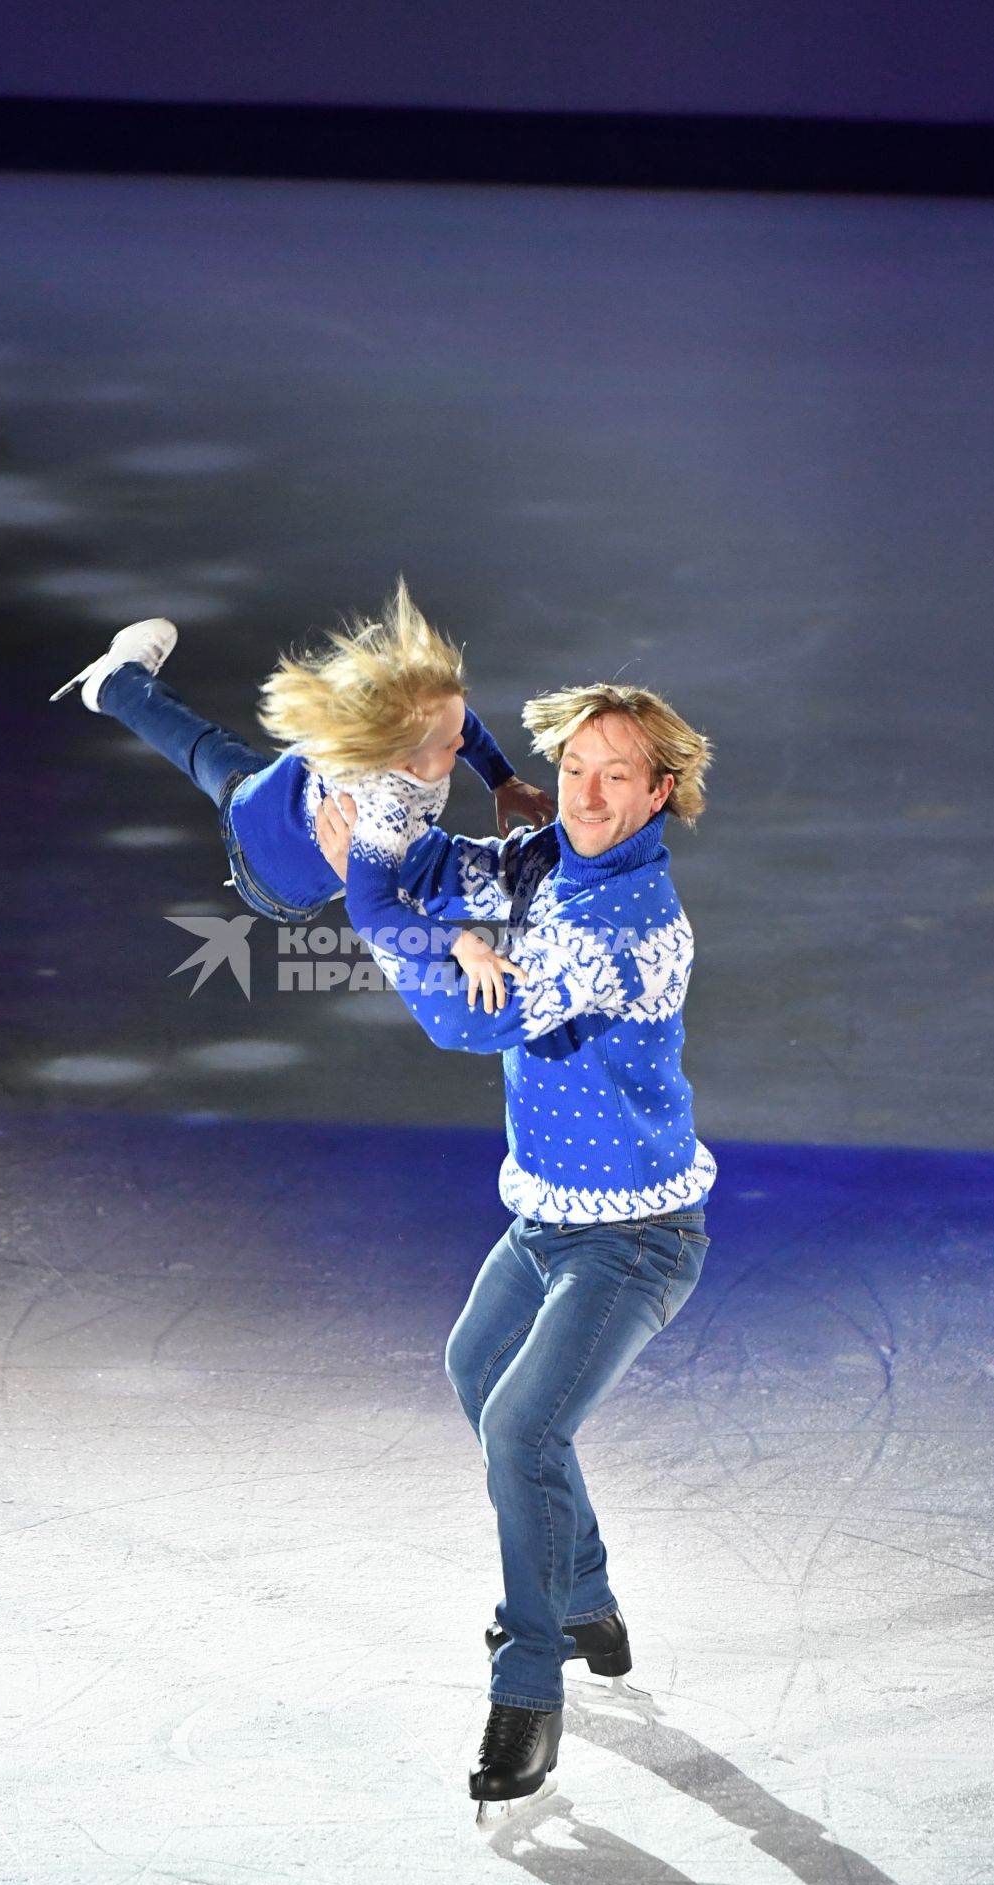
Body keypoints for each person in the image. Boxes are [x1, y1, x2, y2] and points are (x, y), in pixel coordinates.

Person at [316, 680, 714, 1815]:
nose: (588, 793)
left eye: (617, 775)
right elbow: (444, 875)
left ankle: (531, 1682)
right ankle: (585, 1592)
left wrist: (365, 890)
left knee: (521, 1429)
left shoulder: (623, 927)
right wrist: (427, 808)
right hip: (546, 1220)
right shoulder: (551, 863)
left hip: (634, 1239)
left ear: (660, 795)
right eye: (578, 767)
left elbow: (459, 1016)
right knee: (475, 1373)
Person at [50, 581, 552, 1007]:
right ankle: (112, 684)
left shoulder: (403, 730)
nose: (464, 743)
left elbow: (464, 727)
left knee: (206, 747)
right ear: (400, 762)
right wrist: (458, 942)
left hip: (274, 797)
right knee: (420, 869)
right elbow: (373, 914)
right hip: (272, 879)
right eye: (450, 745)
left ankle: (114, 684)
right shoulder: (386, 814)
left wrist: (503, 780)